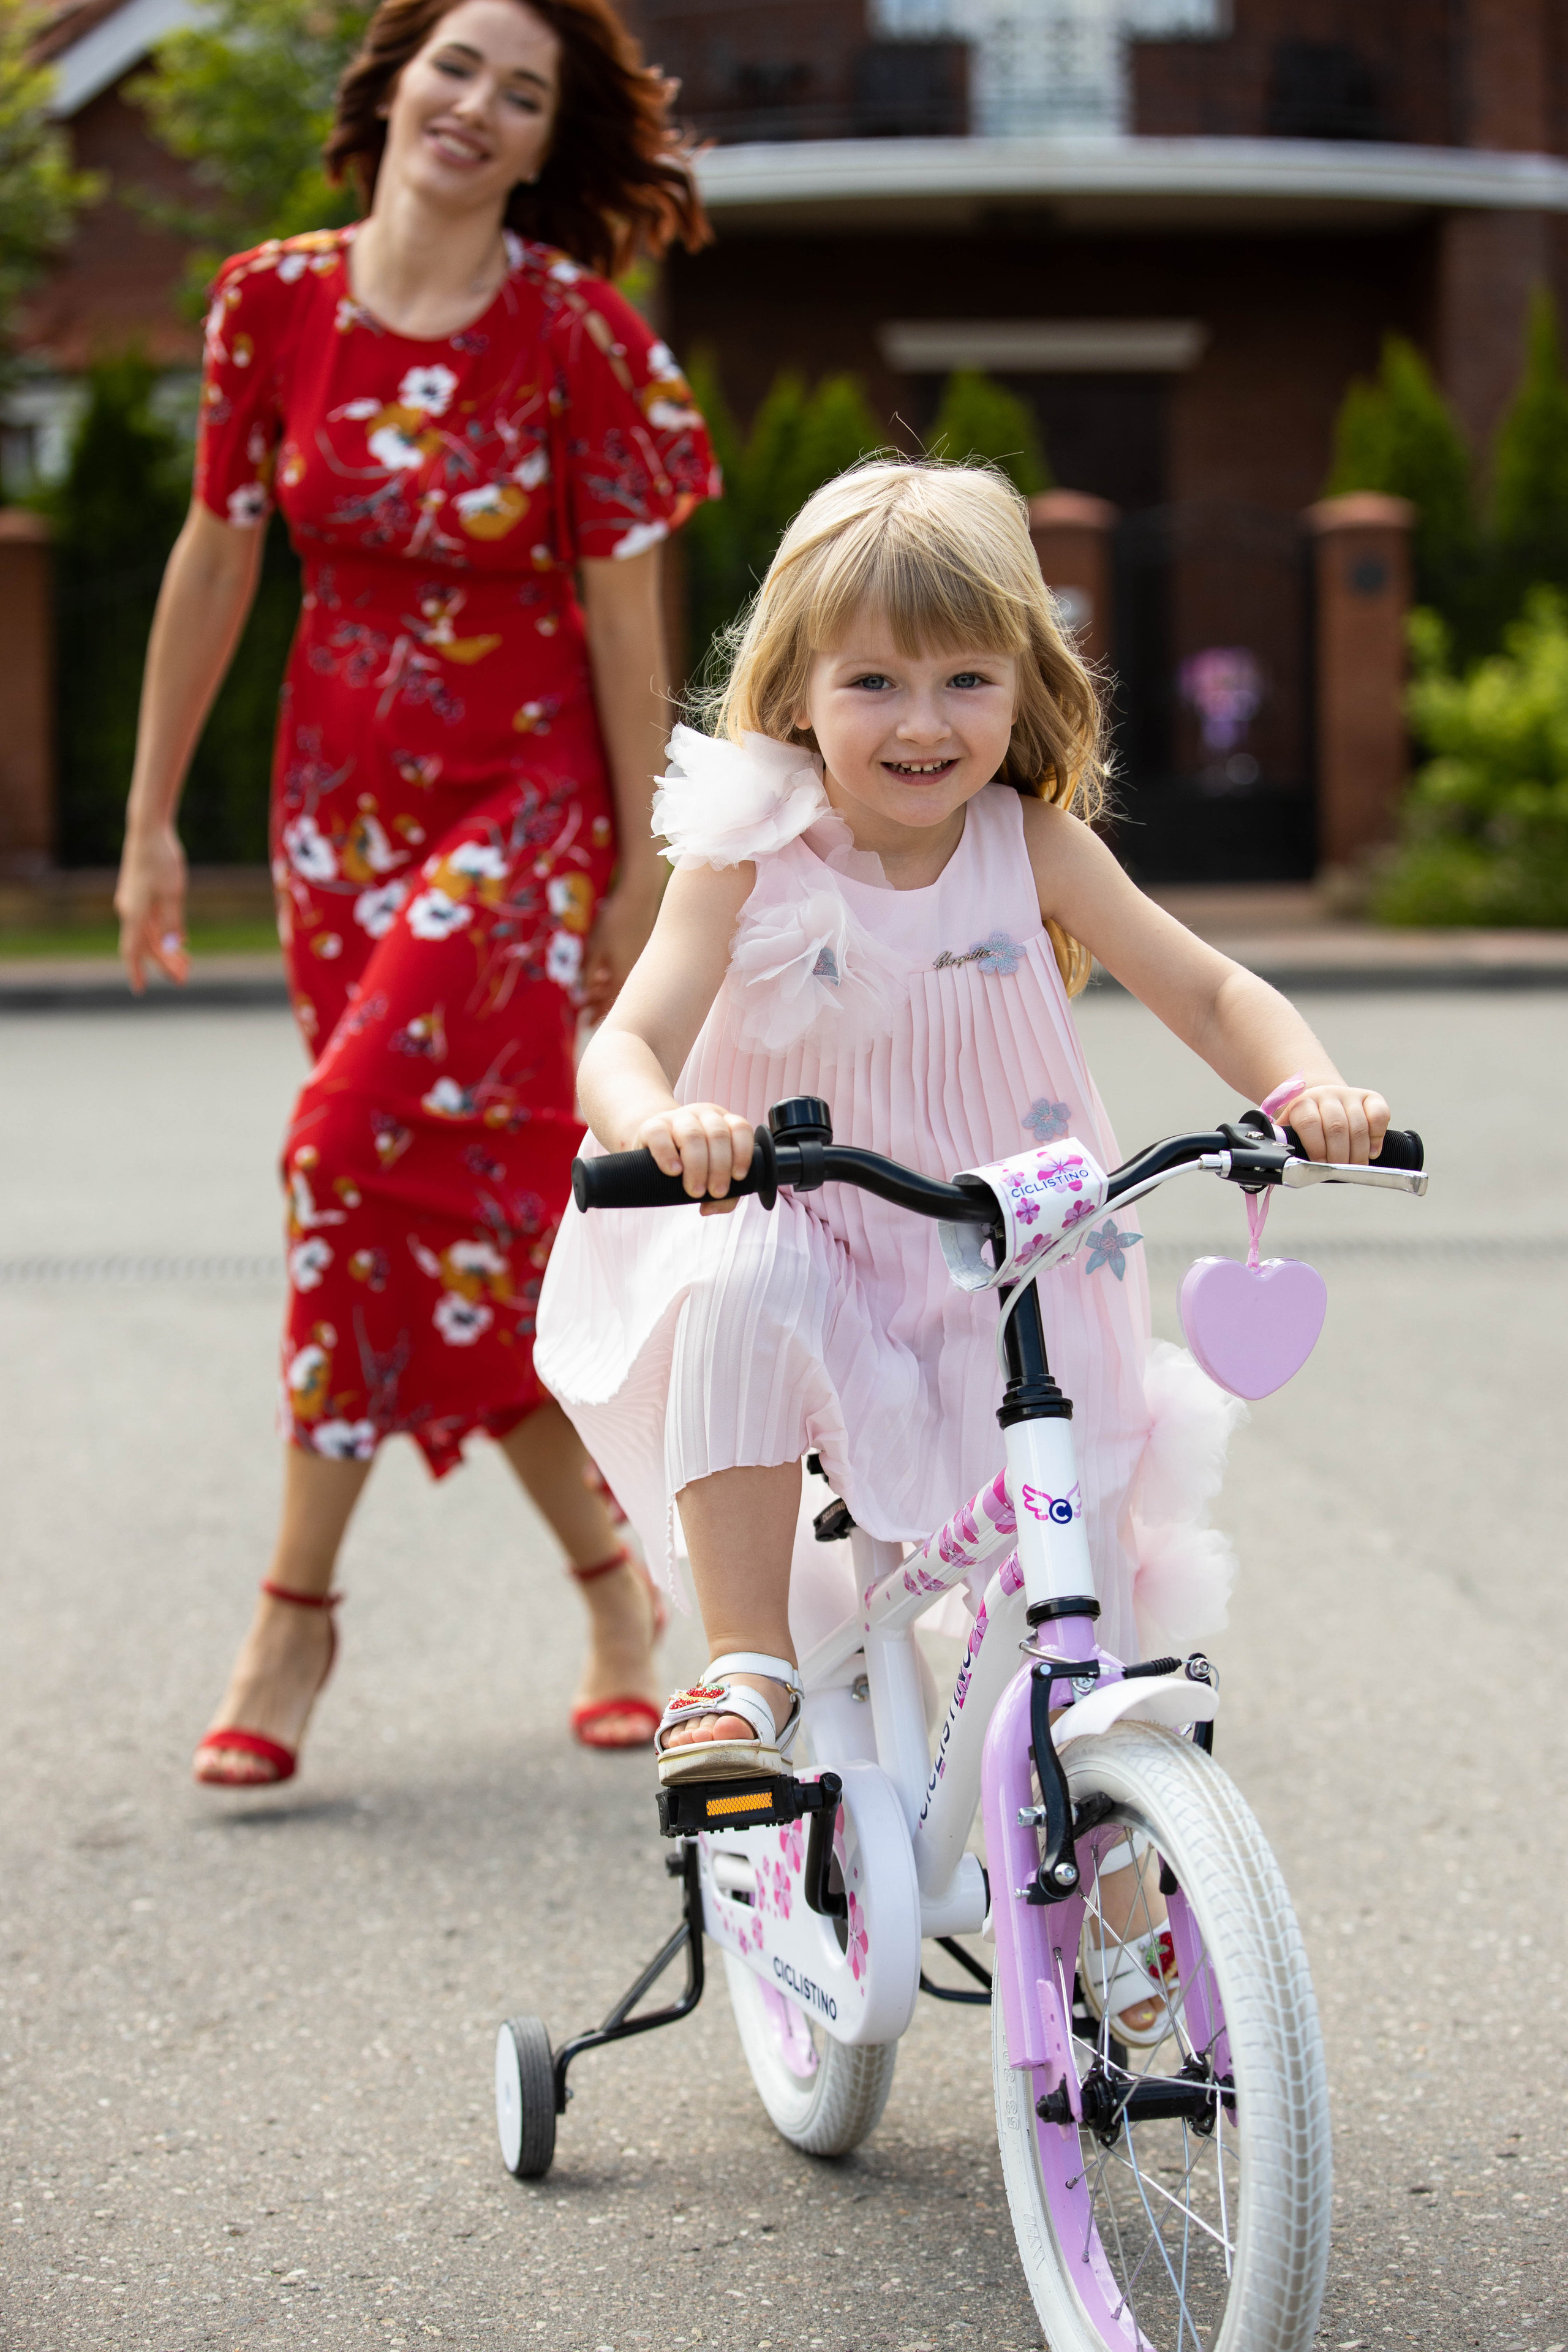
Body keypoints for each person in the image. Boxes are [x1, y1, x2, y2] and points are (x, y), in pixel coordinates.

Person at [535, 454, 1393, 1807]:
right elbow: (623, 1043)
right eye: (874, 681)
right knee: (738, 1282)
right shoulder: (747, 859)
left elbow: (1210, 992)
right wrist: (669, 1121)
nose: (922, 723)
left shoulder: (1030, 845)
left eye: (966, 680)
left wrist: (1307, 1091)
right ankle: (746, 1666)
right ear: (798, 691)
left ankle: (1117, 1855)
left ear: (1023, 684)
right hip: (807, 1229)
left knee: (1086, 1603)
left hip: (1016, 1255)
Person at [113, 0, 719, 1784]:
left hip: (523, 813)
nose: (477, 106)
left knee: (340, 1150)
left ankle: (291, 1618)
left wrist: (645, 870)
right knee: (452, 1223)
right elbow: (216, 554)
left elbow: (629, 627)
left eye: (523, 94)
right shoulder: (269, 303)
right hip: (336, 822)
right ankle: (613, 1587)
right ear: (391, 84)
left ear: (543, 149)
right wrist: (150, 820)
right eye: (457, 66)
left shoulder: (575, 335)